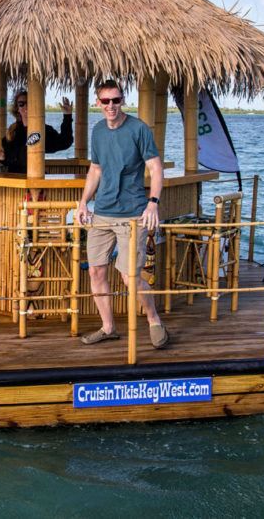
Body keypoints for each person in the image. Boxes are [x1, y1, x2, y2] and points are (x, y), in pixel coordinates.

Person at [75, 80, 170, 349]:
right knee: (95, 271)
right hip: (102, 212)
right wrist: (83, 203)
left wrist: (153, 202)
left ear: (122, 100)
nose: (111, 106)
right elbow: (95, 169)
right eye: (105, 101)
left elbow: (156, 167)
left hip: (132, 214)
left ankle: (153, 320)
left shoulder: (138, 129)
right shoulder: (97, 131)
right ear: (98, 103)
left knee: (130, 275)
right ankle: (108, 328)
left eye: (115, 100)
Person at [0, 89, 73, 174]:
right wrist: (3, 158)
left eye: (29, 103)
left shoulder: (44, 130)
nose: (26, 106)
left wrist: (67, 116)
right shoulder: (11, 133)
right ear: (17, 108)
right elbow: (5, 159)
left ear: (34, 105)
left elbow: (65, 142)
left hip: (38, 180)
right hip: (16, 181)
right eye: (21, 104)